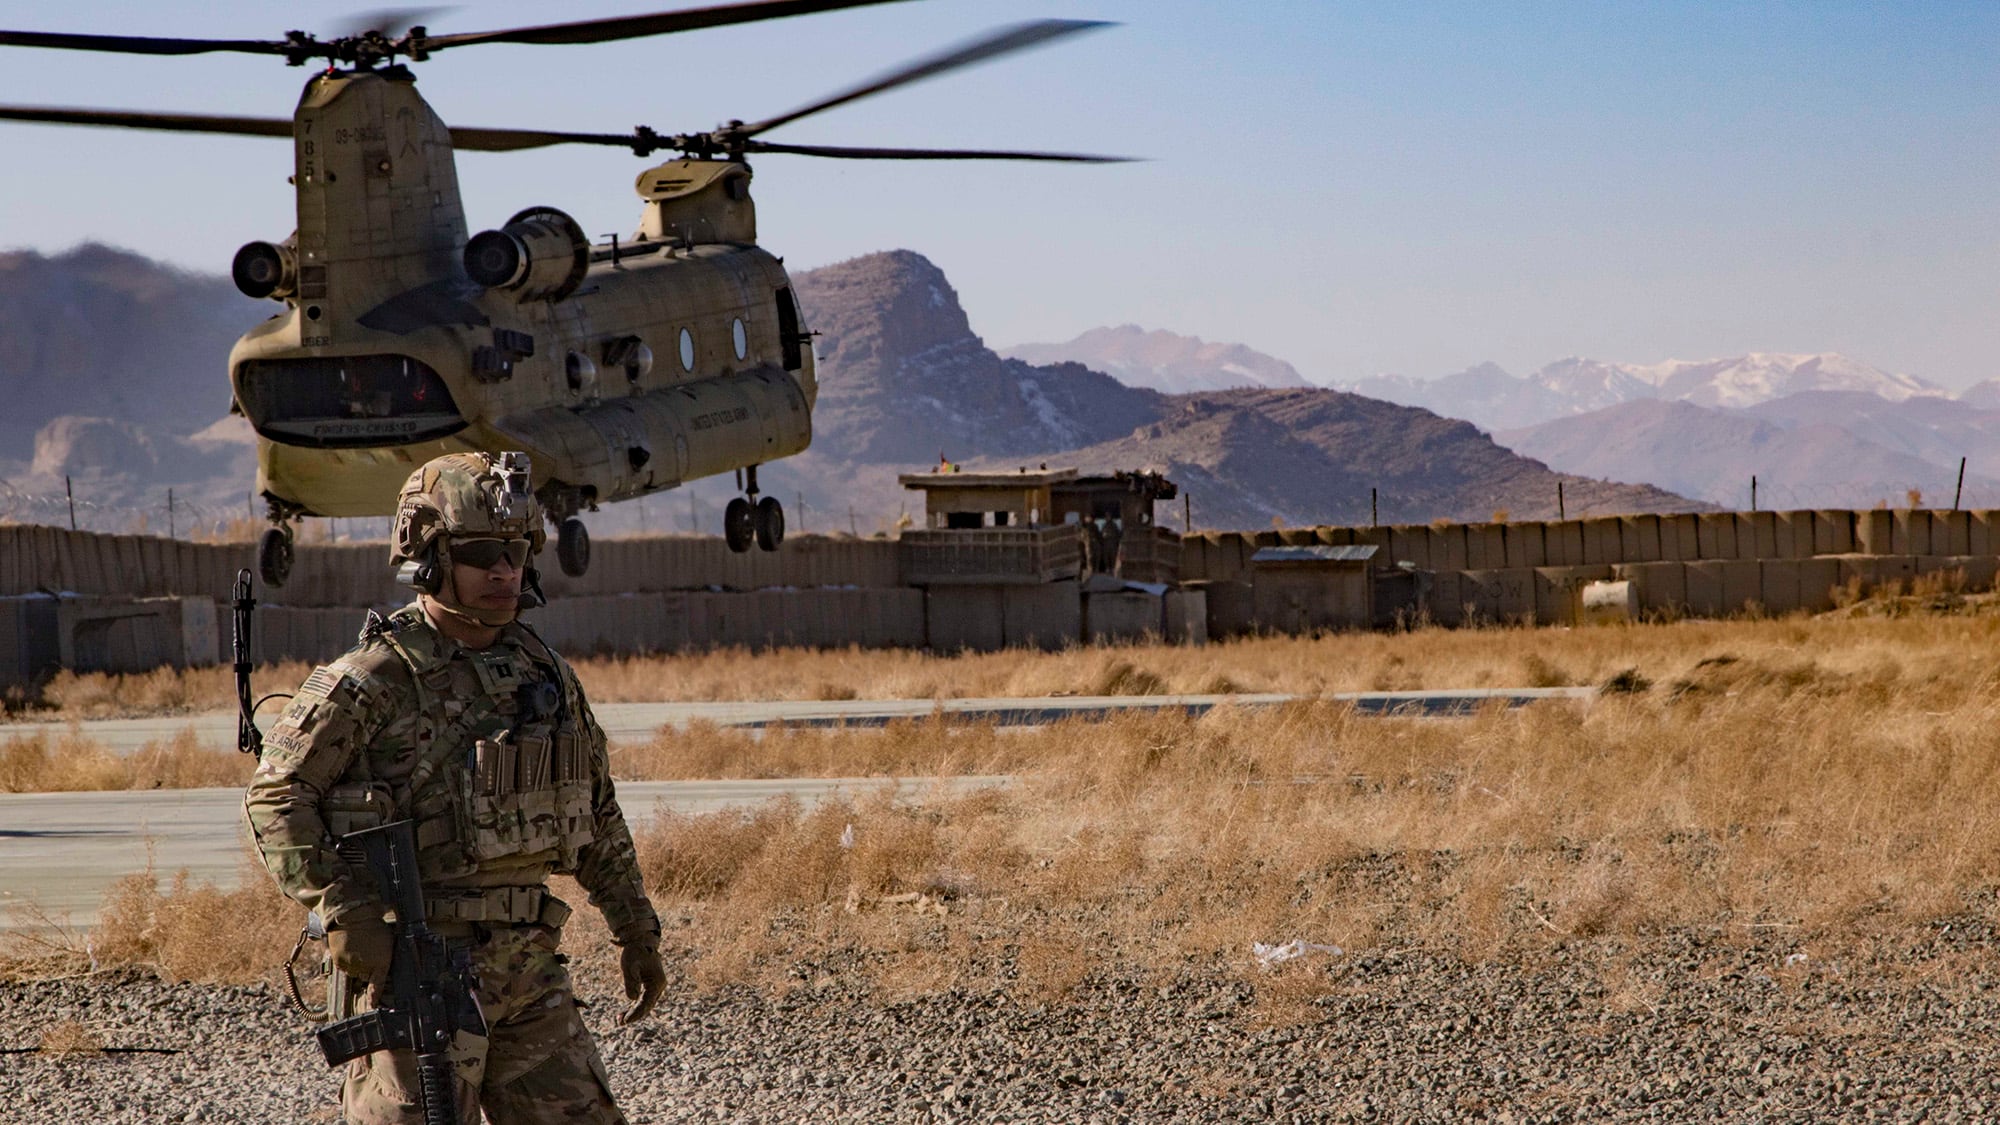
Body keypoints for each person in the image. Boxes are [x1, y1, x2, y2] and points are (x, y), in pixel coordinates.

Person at [245, 451, 664, 1124]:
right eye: (478, 553)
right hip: (419, 968)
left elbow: (595, 808)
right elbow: (276, 796)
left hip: (530, 970)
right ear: (431, 555)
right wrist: (344, 907)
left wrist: (634, 928)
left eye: (515, 551)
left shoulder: (542, 670)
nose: (503, 570)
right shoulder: (372, 676)